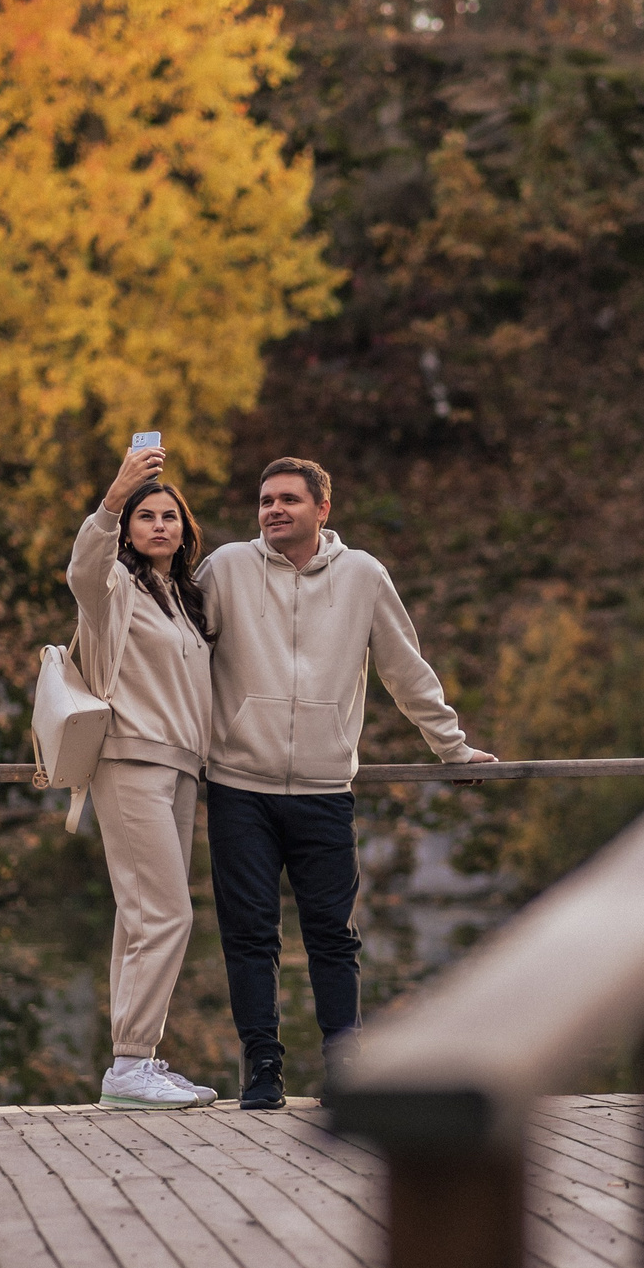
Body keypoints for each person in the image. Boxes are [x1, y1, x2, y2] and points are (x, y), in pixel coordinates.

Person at [197, 456, 495, 1109]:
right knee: (250, 935)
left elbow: (405, 669)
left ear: (321, 509)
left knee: (334, 935)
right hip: (238, 786)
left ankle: (344, 1070)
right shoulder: (224, 570)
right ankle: (264, 1071)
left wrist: (452, 748)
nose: (273, 510)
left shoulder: (363, 576)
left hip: (325, 788)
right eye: (265, 500)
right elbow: (180, 656)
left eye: (288, 500)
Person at [69, 441, 220, 1110]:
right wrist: (112, 497)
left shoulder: (181, 598)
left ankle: (138, 1057)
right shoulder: (116, 590)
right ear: (128, 530)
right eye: (145, 515)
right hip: (130, 760)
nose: (160, 524)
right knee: (166, 913)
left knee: (140, 919)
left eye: (170, 515)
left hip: (181, 768)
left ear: (185, 529)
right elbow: (82, 570)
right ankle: (130, 1064)